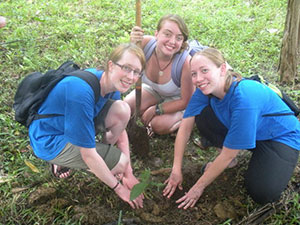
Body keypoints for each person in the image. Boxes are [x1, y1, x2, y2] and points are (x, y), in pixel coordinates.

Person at [163, 47, 300, 209]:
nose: (198, 79)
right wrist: (176, 169)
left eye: (204, 70)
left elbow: (228, 154)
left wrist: (197, 188)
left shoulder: (244, 97)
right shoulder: (204, 90)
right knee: (203, 115)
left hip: (280, 138)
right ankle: (235, 158)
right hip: (253, 132)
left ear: (222, 69)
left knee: (262, 193)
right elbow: (185, 127)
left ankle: (270, 160)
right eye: (194, 74)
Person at [28, 43, 146, 209]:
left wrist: (129, 173)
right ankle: (61, 160)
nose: (131, 76)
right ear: (111, 65)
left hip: (70, 125)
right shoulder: (81, 92)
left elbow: (121, 130)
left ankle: (103, 161)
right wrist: (119, 188)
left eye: (136, 72)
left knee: (123, 109)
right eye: (126, 68)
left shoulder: (109, 83)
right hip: (49, 140)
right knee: (118, 162)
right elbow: (88, 154)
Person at [124, 14, 194, 135]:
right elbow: (125, 68)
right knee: (127, 107)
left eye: (179, 38)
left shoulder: (185, 62)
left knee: (158, 125)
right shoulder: (143, 44)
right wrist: (132, 47)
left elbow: (186, 101)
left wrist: (155, 110)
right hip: (155, 90)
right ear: (156, 34)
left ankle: (188, 121)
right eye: (167, 34)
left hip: (178, 99)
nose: (172, 42)